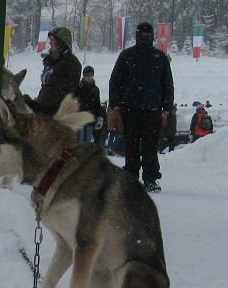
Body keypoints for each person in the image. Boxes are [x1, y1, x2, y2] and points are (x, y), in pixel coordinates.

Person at [108, 21, 174, 193]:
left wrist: (167, 107)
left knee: (150, 146)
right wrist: (115, 104)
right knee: (131, 144)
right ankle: (131, 177)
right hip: (131, 109)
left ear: (152, 36)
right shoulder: (127, 56)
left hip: (153, 110)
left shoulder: (160, 58)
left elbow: (167, 84)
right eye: (142, 34)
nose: (145, 37)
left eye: (147, 34)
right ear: (136, 36)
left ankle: (150, 178)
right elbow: (115, 80)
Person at [24, 27, 82, 116]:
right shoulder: (50, 59)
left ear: (60, 42)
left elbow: (72, 86)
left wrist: (52, 79)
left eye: (52, 40)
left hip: (58, 112)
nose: (50, 42)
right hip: (43, 105)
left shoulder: (72, 62)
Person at [73, 65, 101, 143]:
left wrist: (99, 117)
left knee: (88, 138)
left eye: (90, 75)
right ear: (84, 76)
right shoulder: (79, 87)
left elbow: (97, 103)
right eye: (87, 75)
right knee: (80, 137)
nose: (89, 77)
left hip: (91, 117)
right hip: (81, 116)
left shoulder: (95, 89)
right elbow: (74, 98)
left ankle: (86, 153)